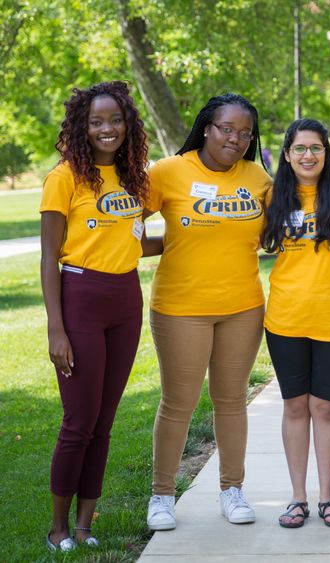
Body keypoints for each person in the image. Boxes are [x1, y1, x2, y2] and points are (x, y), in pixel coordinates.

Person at [143, 93, 272, 531]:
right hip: (180, 308)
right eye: (226, 129)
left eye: (244, 133)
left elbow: (279, 231)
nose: (235, 139)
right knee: (178, 402)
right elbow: (123, 225)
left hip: (243, 307)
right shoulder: (167, 172)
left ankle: (232, 489)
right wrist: (168, 244)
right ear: (205, 127)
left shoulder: (257, 176)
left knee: (232, 400)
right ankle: (162, 496)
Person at [40, 81, 149, 551]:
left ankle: (85, 526)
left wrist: (201, 238)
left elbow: (134, 242)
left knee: (104, 421)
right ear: (82, 127)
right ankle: (57, 528)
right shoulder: (64, 177)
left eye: (115, 120)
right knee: (78, 421)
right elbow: (48, 257)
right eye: (97, 121)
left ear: (128, 124)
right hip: (80, 296)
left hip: (126, 299)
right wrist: (56, 328)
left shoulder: (133, 178)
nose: (108, 129)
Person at [260, 119, 330, 529]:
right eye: (300, 148)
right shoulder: (272, 195)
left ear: (326, 152)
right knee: (295, 405)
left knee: (326, 407)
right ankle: (297, 497)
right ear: (287, 154)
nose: (308, 155)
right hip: (286, 316)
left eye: (316, 148)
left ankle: (327, 497)